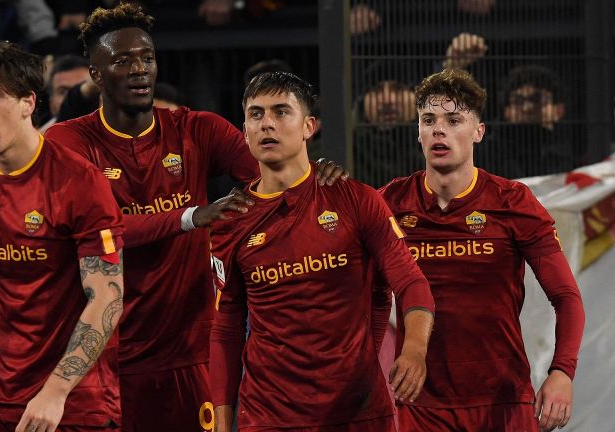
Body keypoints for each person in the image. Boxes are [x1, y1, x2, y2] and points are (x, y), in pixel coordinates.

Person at [45, 4, 347, 431]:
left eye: (147, 58)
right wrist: (189, 217)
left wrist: (315, 175)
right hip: (104, 358)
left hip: (190, 354)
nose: (139, 69)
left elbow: (275, 178)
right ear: (95, 74)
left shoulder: (196, 129)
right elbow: (99, 230)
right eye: (123, 60)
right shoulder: (68, 142)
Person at [209, 71, 435, 431]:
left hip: (358, 412)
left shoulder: (357, 199)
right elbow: (226, 326)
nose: (267, 123)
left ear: (308, 126)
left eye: (281, 111)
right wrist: (221, 419)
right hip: (269, 417)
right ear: (245, 131)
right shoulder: (230, 221)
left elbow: (410, 281)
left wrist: (415, 349)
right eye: (256, 114)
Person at [379, 68, 585, 432]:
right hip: (419, 406)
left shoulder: (512, 201)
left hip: (503, 402)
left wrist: (562, 372)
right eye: (429, 120)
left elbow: (566, 297)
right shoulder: (388, 204)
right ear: (418, 132)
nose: (439, 130)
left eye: (453, 120)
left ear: (479, 131)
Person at [0, 41, 125, 431]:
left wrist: (55, 392)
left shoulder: (79, 181)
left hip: (72, 400)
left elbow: (108, 296)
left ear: (28, 102)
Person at [40, 54, 90, 132]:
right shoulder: (38, 138)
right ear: (51, 103)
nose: (74, 97)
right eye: (63, 91)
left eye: (81, 88)